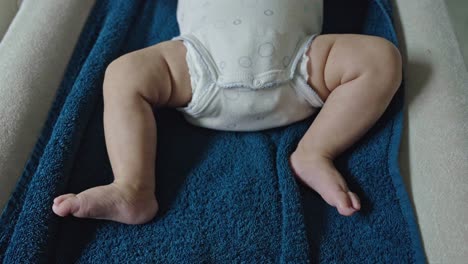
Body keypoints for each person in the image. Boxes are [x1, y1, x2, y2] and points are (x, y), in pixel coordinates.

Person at [52, 0, 402, 224]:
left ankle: (315, 152)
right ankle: (133, 187)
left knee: (381, 59)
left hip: (302, 68)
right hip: (197, 69)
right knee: (123, 74)